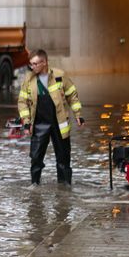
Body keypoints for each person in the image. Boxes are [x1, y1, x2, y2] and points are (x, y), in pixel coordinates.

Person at [17, 49, 84, 185]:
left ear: (45, 62)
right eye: (31, 64)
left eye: (35, 64)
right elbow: (22, 102)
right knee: (35, 158)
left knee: (63, 158)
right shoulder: (28, 80)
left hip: (59, 123)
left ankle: (64, 188)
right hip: (39, 124)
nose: (32, 67)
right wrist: (27, 123)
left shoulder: (59, 76)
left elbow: (72, 95)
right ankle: (35, 186)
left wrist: (78, 115)